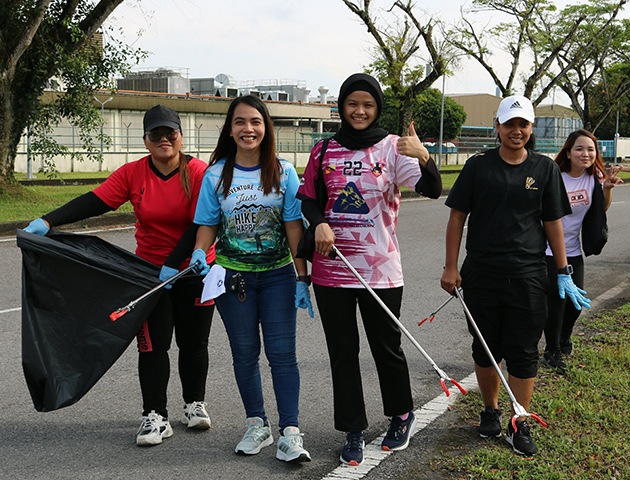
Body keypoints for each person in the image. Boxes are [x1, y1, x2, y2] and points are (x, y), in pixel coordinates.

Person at [23, 105, 216, 446]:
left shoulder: (200, 173)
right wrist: (48, 221)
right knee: (153, 346)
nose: (164, 139)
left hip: (194, 269)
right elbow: (94, 201)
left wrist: (177, 260)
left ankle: (193, 404)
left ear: (181, 136)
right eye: (156, 134)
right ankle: (154, 415)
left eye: (170, 132)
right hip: (149, 275)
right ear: (145, 140)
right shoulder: (133, 174)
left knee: (194, 342)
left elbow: (202, 222)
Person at [296, 73, 442, 466]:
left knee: (385, 347)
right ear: (342, 107)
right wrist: (318, 222)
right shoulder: (323, 149)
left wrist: (424, 156)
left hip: (381, 271)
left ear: (377, 109)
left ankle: (401, 414)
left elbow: (432, 189)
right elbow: (307, 200)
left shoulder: (394, 148)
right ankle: (353, 429)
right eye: (352, 104)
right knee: (342, 352)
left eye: (368, 105)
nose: (359, 111)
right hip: (332, 271)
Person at [440, 95, 590, 456]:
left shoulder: (544, 169)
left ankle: (518, 420)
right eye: (510, 124)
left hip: (528, 275)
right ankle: (490, 411)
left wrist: (563, 271)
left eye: (523, 124)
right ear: (498, 127)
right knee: (486, 346)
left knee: (524, 351)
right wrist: (450, 266)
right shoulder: (478, 167)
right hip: (482, 273)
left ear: (531, 127)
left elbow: (553, 221)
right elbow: (457, 217)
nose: (516, 131)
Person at [189, 95, 312, 463]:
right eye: (240, 122)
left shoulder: (284, 172)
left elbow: (293, 225)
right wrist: (199, 251)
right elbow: (208, 224)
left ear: (266, 128)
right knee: (244, 356)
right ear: (230, 129)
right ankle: (257, 424)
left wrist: (301, 277)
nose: (248, 129)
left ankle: (290, 431)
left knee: (282, 355)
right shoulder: (215, 175)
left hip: (277, 277)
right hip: (232, 279)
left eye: (255, 122)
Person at [542, 130, 622, 373]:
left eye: (591, 149)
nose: (585, 154)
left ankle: (564, 337)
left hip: (574, 250)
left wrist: (606, 187)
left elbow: (601, 209)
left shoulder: (594, 176)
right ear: (568, 152)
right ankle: (551, 351)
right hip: (547, 250)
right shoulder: (555, 176)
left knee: (576, 302)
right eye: (579, 148)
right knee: (556, 301)